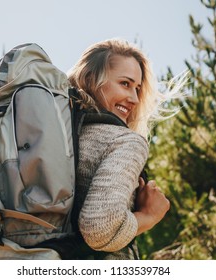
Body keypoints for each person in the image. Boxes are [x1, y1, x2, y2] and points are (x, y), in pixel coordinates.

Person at [67, 38, 186, 259]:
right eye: (125, 83)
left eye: (138, 88)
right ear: (91, 79)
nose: (133, 98)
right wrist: (149, 215)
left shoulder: (63, 135)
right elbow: (99, 229)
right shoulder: (126, 141)